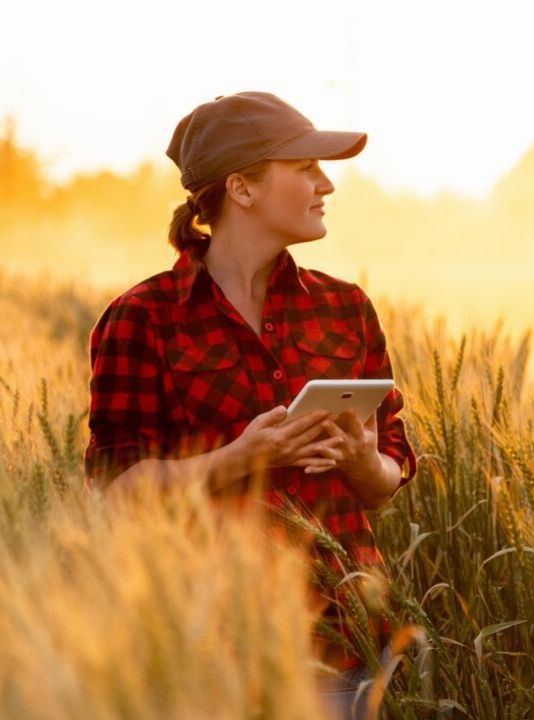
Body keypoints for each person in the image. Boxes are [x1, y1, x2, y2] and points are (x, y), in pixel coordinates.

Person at [84, 91, 416, 719]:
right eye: (306, 168)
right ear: (242, 189)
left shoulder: (345, 308)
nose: (327, 185)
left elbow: (387, 474)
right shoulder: (143, 319)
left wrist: (363, 462)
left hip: (341, 639)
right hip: (207, 645)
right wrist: (239, 458)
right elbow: (114, 492)